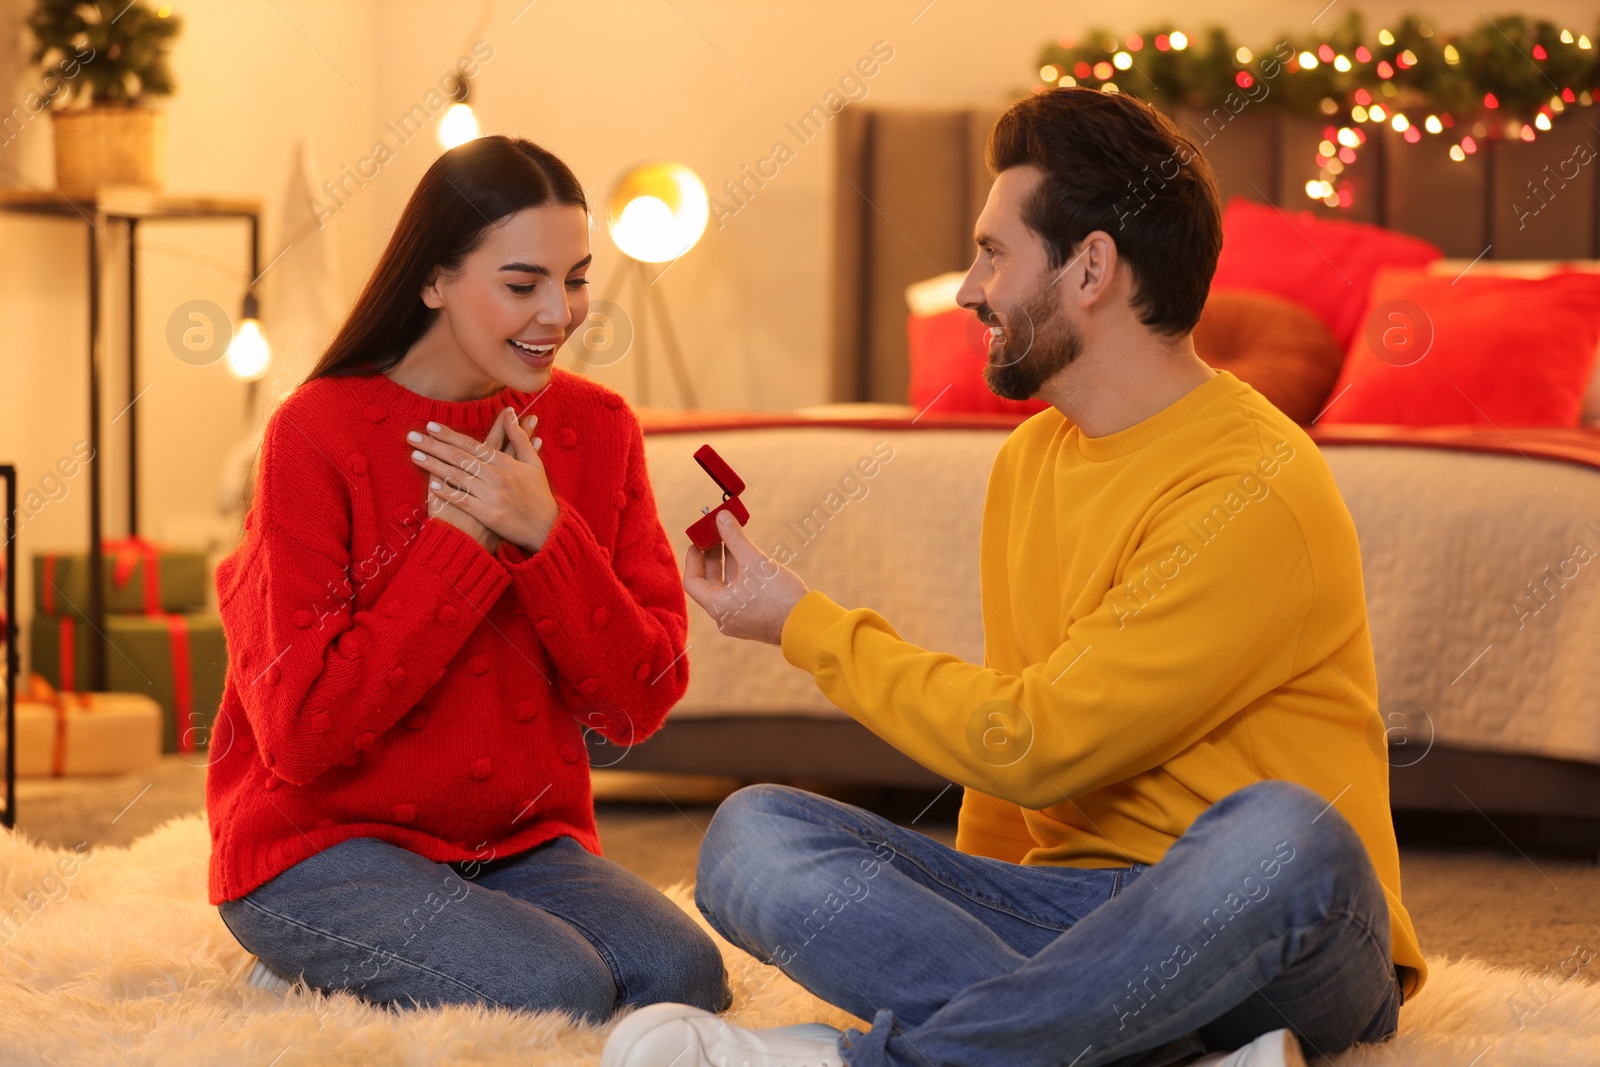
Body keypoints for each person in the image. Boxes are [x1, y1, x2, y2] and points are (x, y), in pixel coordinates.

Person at [603, 88, 1425, 1067]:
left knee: (1288, 835)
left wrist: (802, 622)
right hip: (1069, 918)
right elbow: (1001, 785)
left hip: (1272, 935)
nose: (965, 288)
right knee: (752, 838)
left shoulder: (1253, 485)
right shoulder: (1030, 462)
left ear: (1090, 267)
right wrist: (975, 887)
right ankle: (1130, 1045)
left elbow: (1038, 739)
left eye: (993, 252)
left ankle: (861, 1061)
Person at [207, 135, 729, 1022]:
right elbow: (299, 733)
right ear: (434, 279)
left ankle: (423, 951)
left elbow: (636, 700)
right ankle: (309, 967)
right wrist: (455, 548)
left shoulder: (597, 429)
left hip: (515, 838)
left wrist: (546, 535)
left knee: (681, 975)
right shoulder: (314, 432)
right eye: (522, 284)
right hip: (321, 842)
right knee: (554, 990)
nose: (559, 314)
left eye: (576, 278)